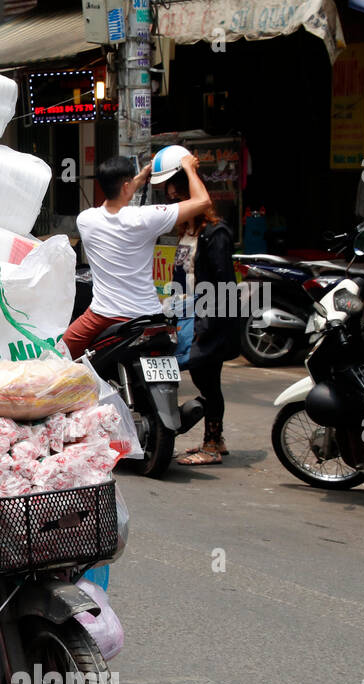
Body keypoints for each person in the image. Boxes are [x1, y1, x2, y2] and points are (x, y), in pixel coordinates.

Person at [63, 149, 212, 360]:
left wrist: (138, 179)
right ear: (126, 186)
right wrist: (189, 168)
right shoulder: (148, 217)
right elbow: (203, 201)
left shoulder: (86, 220)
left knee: (62, 354)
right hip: (149, 315)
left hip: (103, 316)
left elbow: (117, 201)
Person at [161, 164, 239, 465]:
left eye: (180, 197)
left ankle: (211, 445)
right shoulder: (188, 232)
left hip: (210, 318)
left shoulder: (214, 233)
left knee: (206, 379)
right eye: (172, 199)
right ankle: (215, 440)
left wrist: (207, 325)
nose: (175, 204)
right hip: (188, 315)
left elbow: (223, 283)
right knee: (205, 379)